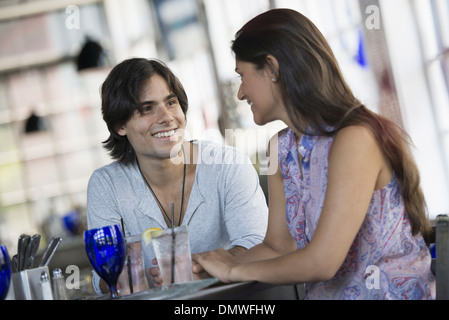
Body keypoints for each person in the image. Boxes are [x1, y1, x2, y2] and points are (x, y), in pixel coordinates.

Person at [193, 9, 436, 300]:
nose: (240, 93)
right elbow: (277, 247)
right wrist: (205, 268)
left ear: (272, 68)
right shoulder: (280, 148)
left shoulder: (355, 138)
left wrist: (232, 271)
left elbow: (323, 262)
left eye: (242, 76)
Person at [86, 58, 268, 293]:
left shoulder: (227, 165)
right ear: (120, 125)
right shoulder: (106, 185)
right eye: (146, 109)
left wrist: (199, 268)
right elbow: (101, 277)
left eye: (171, 102)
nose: (166, 117)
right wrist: (120, 277)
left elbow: (258, 246)